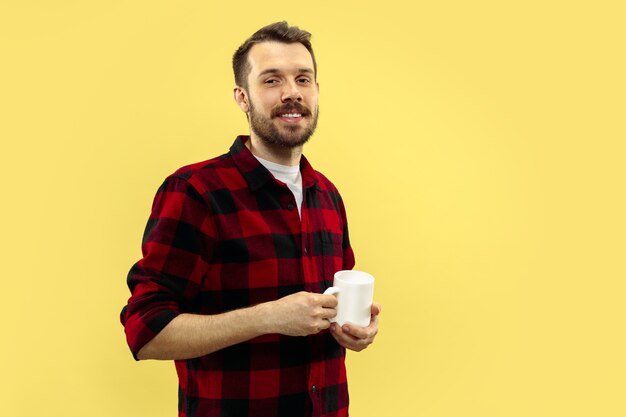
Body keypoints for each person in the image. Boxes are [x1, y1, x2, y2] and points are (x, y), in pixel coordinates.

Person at [120, 21, 381, 417]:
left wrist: (351, 332)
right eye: (272, 80)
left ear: (316, 91)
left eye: (303, 79)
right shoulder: (195, 192)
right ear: (242, 97)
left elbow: (327, 310)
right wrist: (269, 317)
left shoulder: (326, 195)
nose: (292, 92)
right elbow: (145, 332)